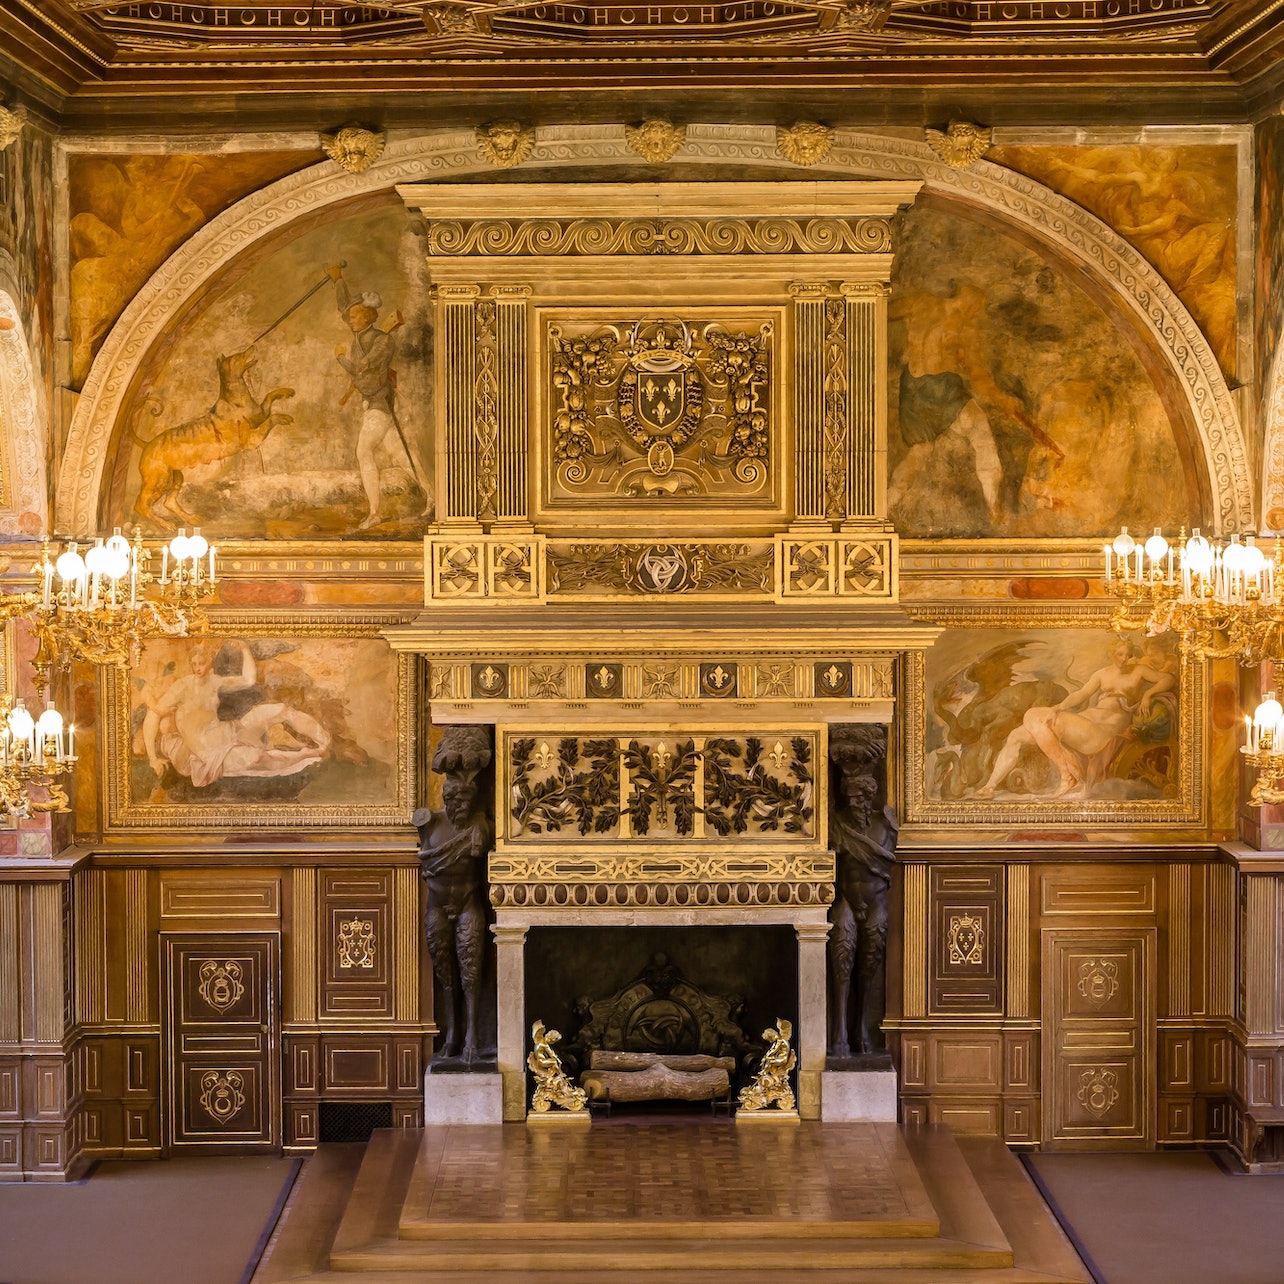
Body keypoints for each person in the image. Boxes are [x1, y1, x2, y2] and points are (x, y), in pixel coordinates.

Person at [976, 640, 1176, 799]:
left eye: (1128, 655)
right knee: (1016, 735)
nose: (1124, 659)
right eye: (1120, 654)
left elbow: (1168, 679)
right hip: (1085, 722)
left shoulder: (1139, 671)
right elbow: (1080, 694)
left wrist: (1149, 693)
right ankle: (989, 787)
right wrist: (1058, 707)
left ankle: (1066, 774)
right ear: (1111, 655)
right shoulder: (1102, 674)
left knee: (1035, 715)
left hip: (1101, 732)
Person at [141, 639, 330, 787]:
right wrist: (152, 759)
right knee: (257, 757)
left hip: (228, 731)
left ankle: (325, 741)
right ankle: (308, 753)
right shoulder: (182, 686)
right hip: (209, 751)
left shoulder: (215, 681)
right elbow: (153, 714)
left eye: (202, 663)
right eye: (195, 663)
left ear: (210, 662)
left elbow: (248, 680)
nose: (198, 668)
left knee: (280, 709)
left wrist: (245, 650)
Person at [329, 265, 433, 529]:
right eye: (350, 317)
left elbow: (363, 367)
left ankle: (374, 512)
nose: (350, 320)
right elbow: (344, 306)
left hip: (381, 404)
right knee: (400, 455)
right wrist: (339, 279)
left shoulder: (383, 341)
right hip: (372, 404)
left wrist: (341, 357)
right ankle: (434, 497)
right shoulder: (361, 334)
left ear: (367, 318)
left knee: (363, 451)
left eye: (355, 316)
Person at [414, 726, 493, 1063]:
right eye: (454, 798)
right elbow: (427, 859)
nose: (460, 803)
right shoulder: (428, 823)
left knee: (470, 972)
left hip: (467, 901)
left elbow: (477, 848)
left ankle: (473, 1034)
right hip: (436, 903)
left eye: (466, 798)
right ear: (445, 795)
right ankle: (452, 1034)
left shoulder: (480, 824)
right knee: (446, 975)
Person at [827, 726, 898, 1059]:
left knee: (868, 969)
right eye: (848, 795)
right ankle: (838, 1034)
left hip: (876, 902)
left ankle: (861, 1033)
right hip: (844, 897)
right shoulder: (837, 823)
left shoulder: (884, 827)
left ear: (868, 796)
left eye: (857, 796)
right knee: (842, 963)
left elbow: (888, 864)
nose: (852, 801)